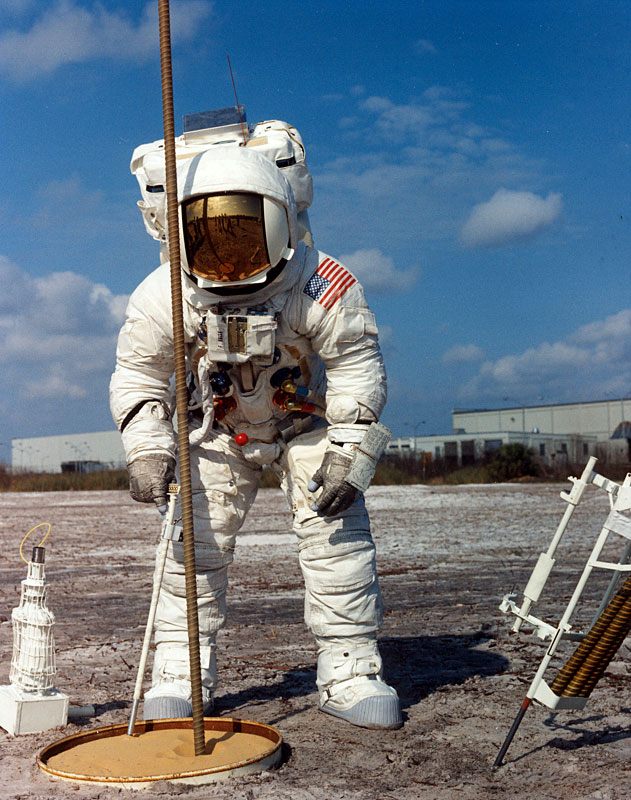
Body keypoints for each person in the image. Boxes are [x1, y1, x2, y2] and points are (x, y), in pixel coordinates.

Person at [109, 144, 402, 730]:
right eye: (212, 238)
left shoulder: (319, 281)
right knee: (192, 542)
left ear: (278, 220)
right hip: (219, 430)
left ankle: (350, 669)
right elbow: (139, 374)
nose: (228, 255)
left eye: (242, 235)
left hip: (306, 424)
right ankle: (181, 672)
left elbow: (355, 362)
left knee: (336, 534)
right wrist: (147, 448)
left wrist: (349, 449)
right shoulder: (167, 294)